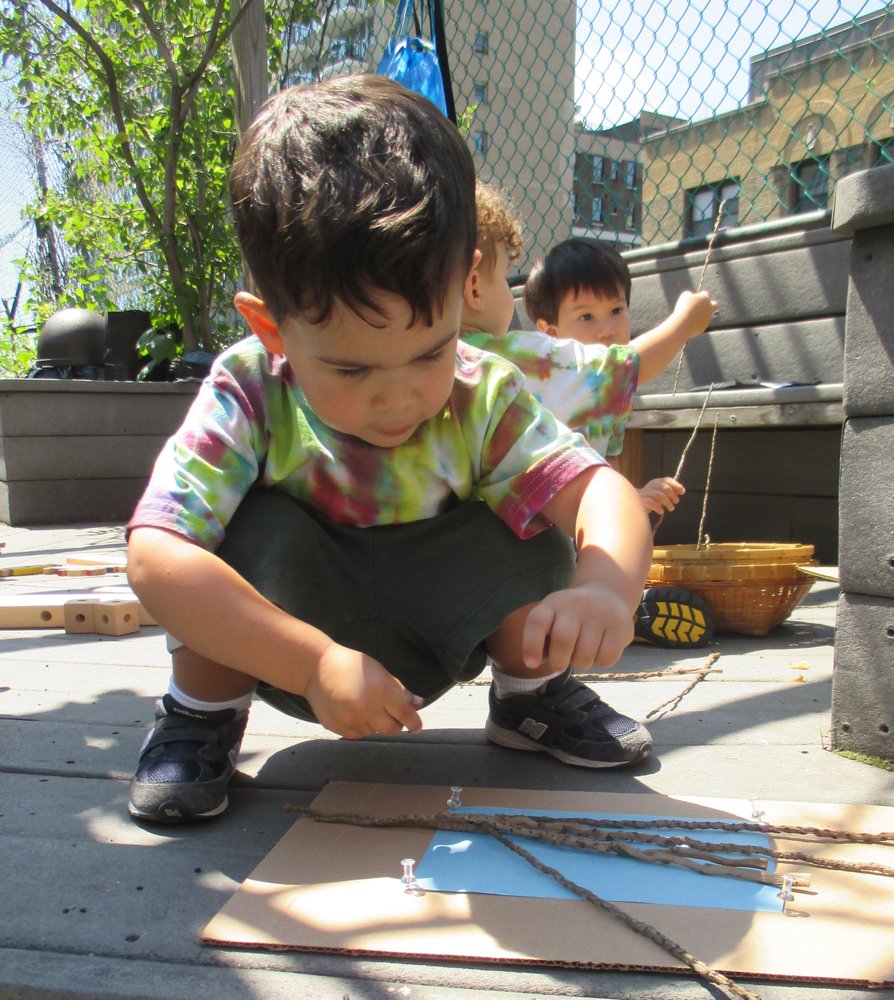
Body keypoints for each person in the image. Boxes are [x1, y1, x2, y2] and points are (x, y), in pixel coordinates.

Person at [125, 76, 658, 825]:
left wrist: (605, 588)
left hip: (439, 627)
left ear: (464, 291)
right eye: (351, 369)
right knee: (225, 536)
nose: (399, 397)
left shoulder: (481, 390)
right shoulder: (250, 389)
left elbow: (600, 492)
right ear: (273, 329)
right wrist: (312, 663)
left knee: (530, 515)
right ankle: (200, 712)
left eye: (429, 352)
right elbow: (155, 555)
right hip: (279, 642)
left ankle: (531, 695)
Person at [460, 184, 717, 650]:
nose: (607, 329)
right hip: (513, 563)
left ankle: (604, 614)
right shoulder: (510, 360)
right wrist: (683, 324)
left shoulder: (411, 361)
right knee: (556, 557)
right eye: (504, 278)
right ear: (475, 285)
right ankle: (579, 639)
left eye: (617, 310)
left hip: (437, 565)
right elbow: (619, 369)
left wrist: (631, 497)